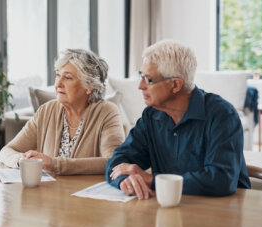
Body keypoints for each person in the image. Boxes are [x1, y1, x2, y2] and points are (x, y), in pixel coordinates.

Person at [106, 40, 250, 199]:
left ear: (175, 85)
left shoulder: (222, 115)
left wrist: (151, 180)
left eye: (148, 79)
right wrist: (125, 180)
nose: (140, 86)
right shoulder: (151, 116)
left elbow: (221, 179)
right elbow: (118, 161)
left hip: (224, 210)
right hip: (171, 207)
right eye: (141, 76)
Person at [0, 49, 125, 175]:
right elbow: (7, 150)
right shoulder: (46, 110)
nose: (58, 84)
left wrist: (54, 164)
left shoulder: (107, 112)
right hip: (48, 192)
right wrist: (22, 160)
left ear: (89, 87)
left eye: (68, 78)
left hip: (86, 192)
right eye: (58, 75)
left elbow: (113, 162)